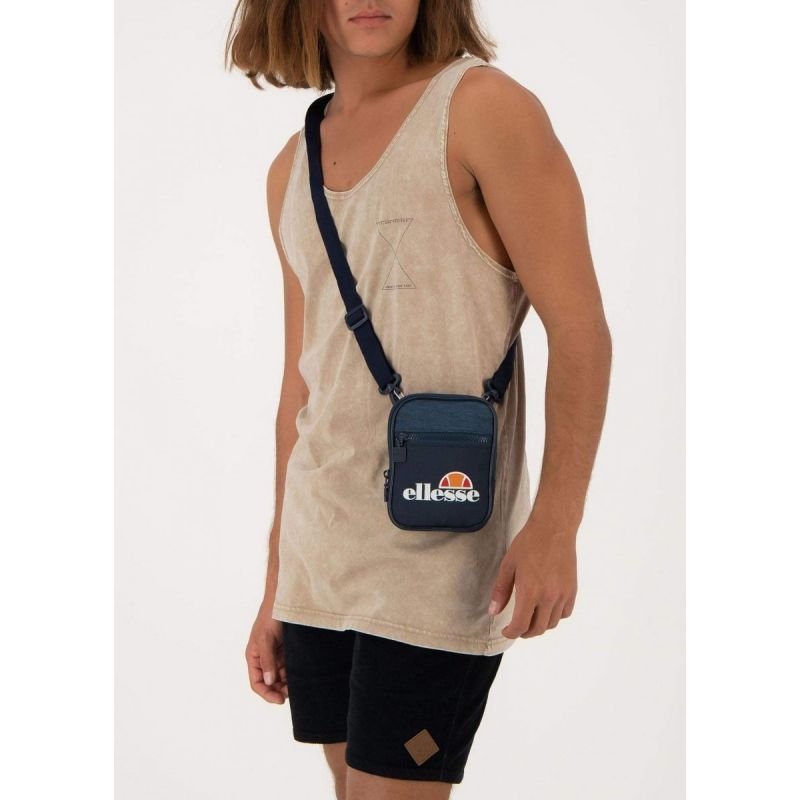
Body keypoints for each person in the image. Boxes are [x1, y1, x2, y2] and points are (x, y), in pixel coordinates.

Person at [226, 2, 612, 798]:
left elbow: (580, 332)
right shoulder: (291, 165)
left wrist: (556, 524)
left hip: (441, 553)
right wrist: (278, 584)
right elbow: (302, 387)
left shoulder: (482, 110)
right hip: (321, 558)